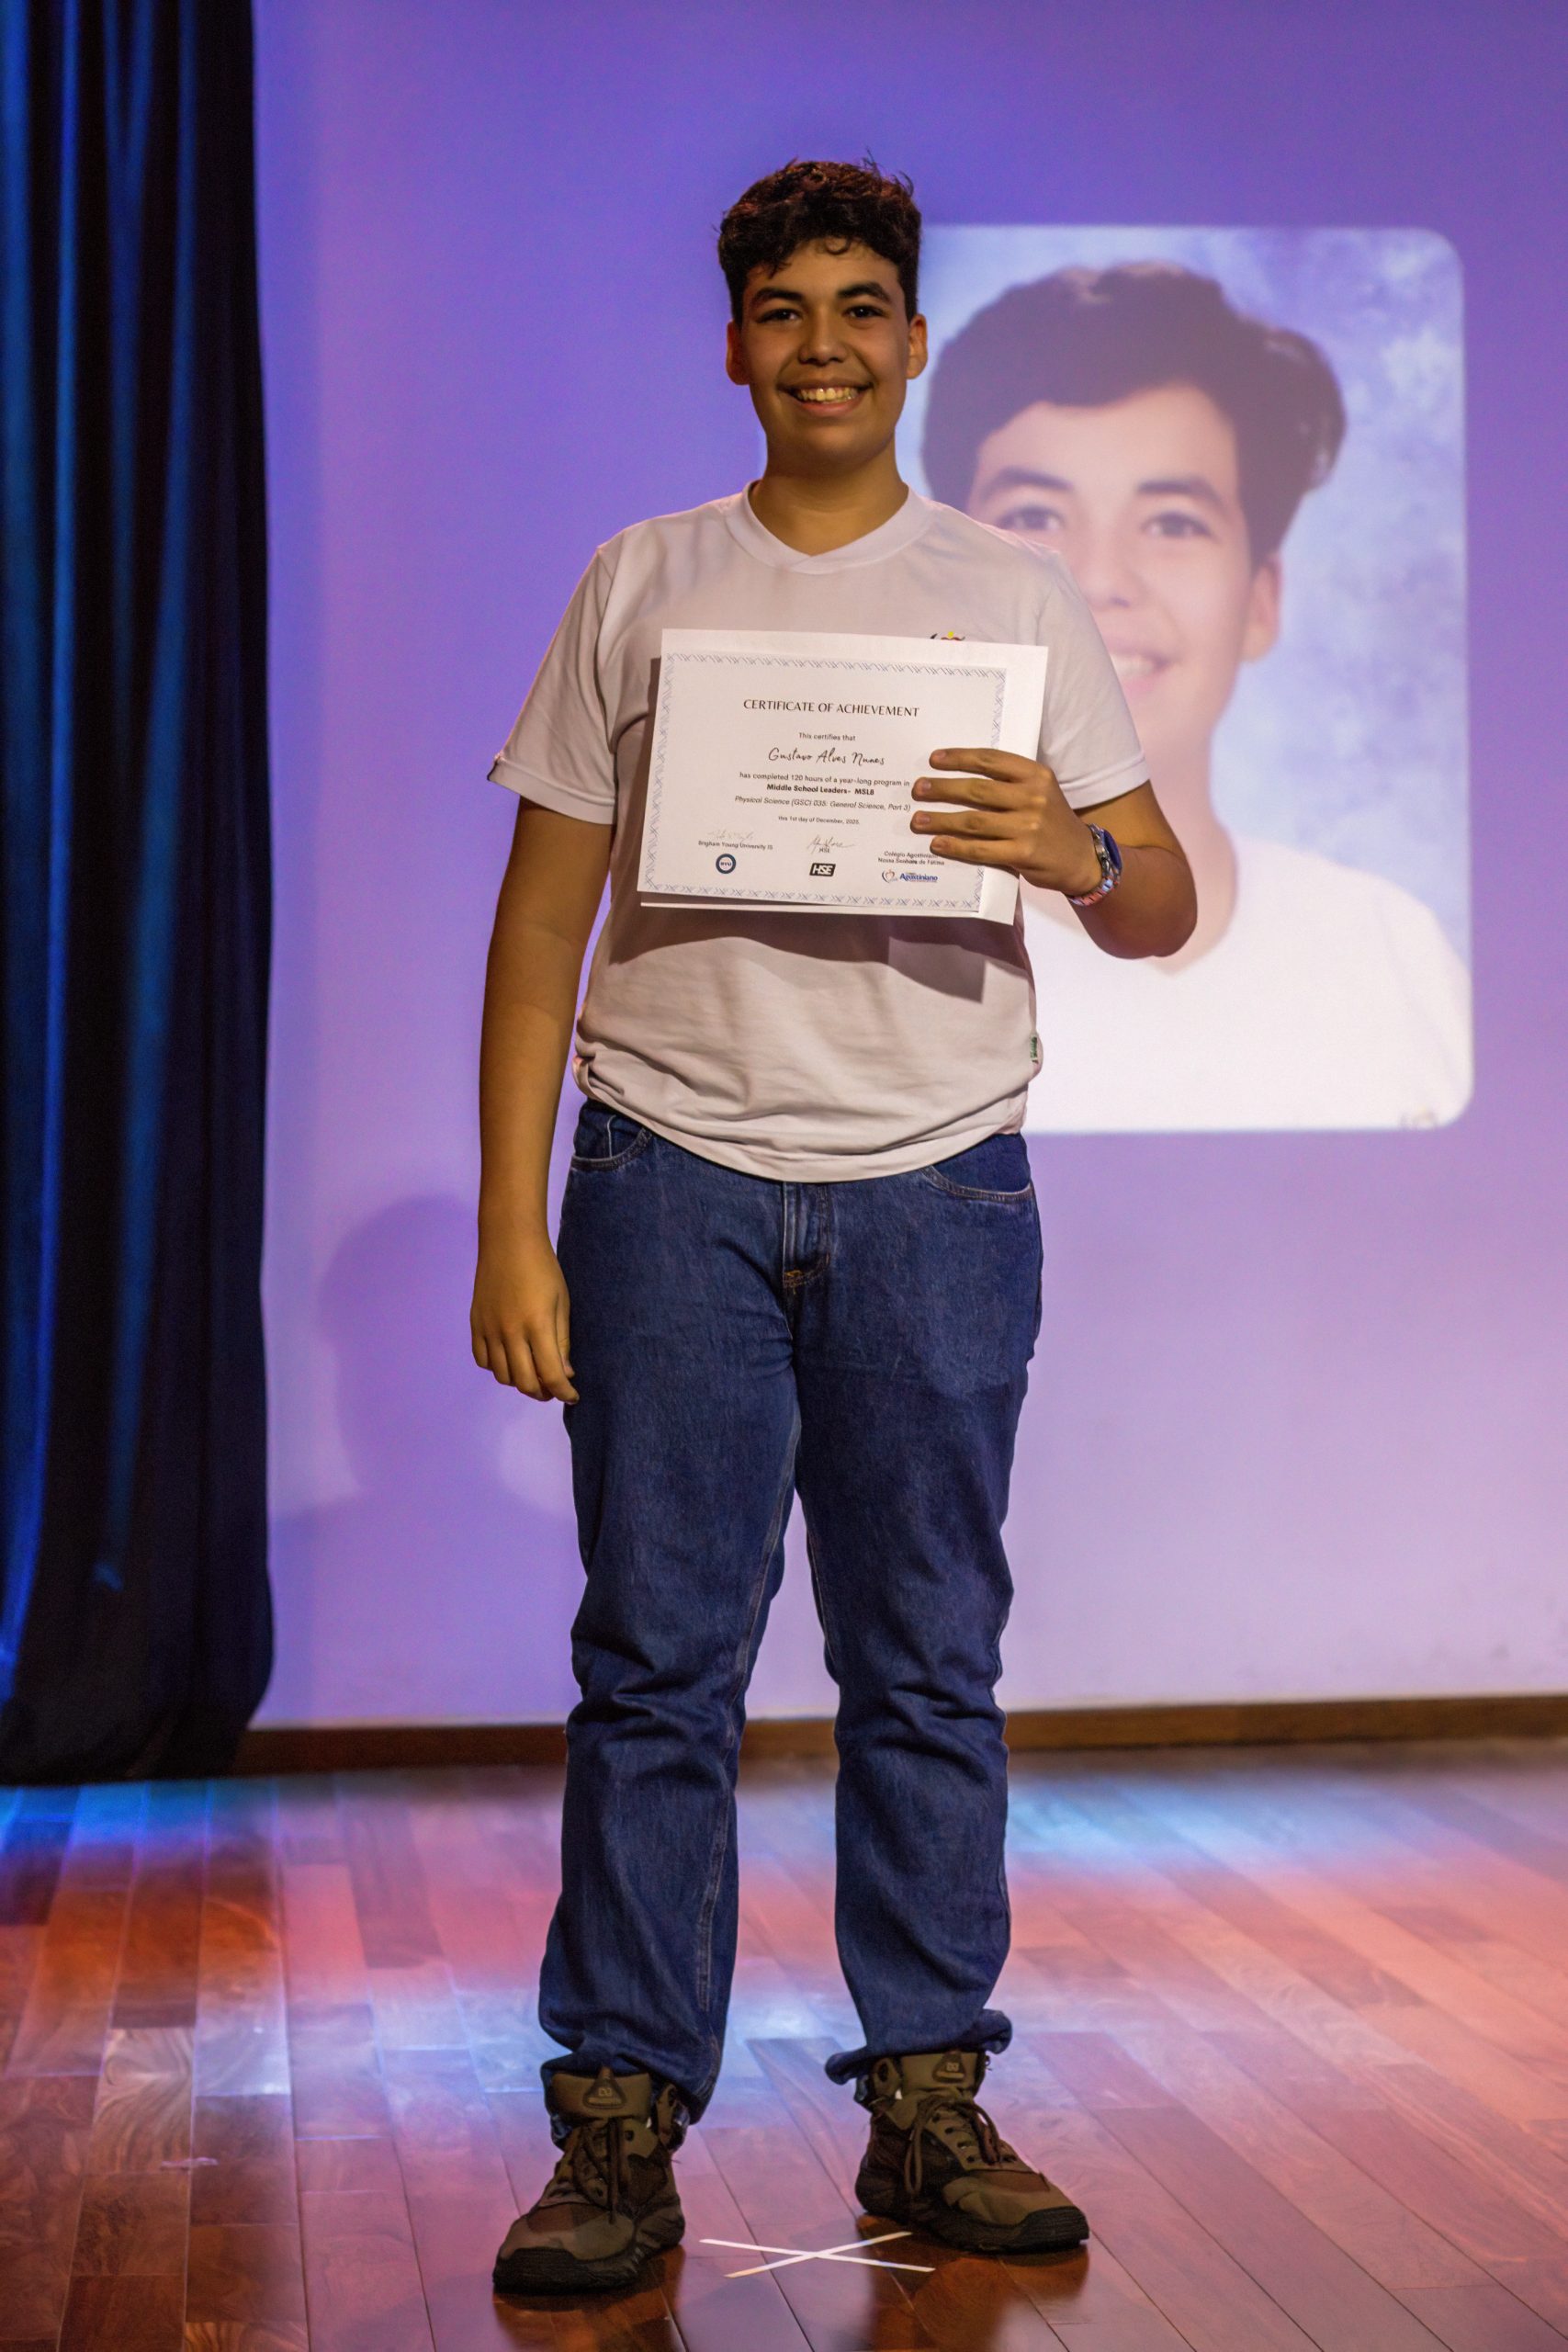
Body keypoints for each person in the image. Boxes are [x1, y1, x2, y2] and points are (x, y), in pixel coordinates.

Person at [472, 160, 1195, 2299]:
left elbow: (1158, 900)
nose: (821, 344)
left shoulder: (1008, 594)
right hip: (666, 1173)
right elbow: (537, 931)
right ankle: (616, 2119)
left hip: (936, 1180)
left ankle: (927, 2092)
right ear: (731, 345)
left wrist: (1071, 845)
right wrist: (510, 1222)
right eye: (780, 308)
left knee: (925, 1655)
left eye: (859, 306)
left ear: (911, 341)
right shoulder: (641, 578)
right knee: (655, 1661)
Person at [922, 262, 1472, 1130]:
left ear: (1260, 602)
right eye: (1034, 517)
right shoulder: (881, 945)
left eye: (1172, 524)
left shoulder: (1386, 953)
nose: (1097, 581)